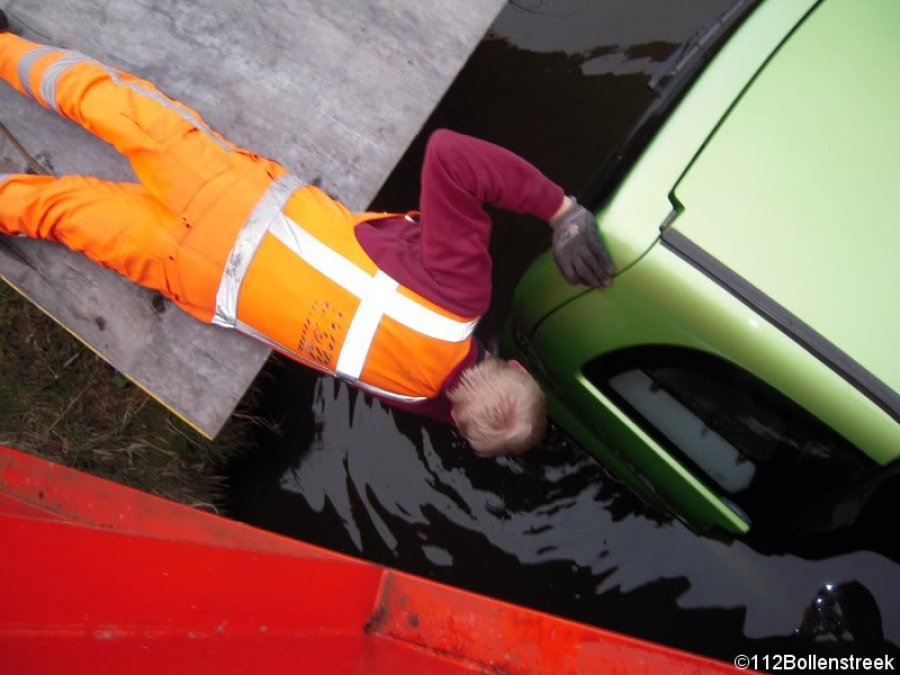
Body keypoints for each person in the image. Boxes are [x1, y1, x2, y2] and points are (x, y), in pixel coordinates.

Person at [0, 12, 615, 457]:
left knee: (107, 103)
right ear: (452, 419)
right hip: (194, 274)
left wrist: (560, 211)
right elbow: (454, 404)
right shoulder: (400, 394)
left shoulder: (460, 295)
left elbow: (450, 155)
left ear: (505, 361)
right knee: (56, 212)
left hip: (224, 193)